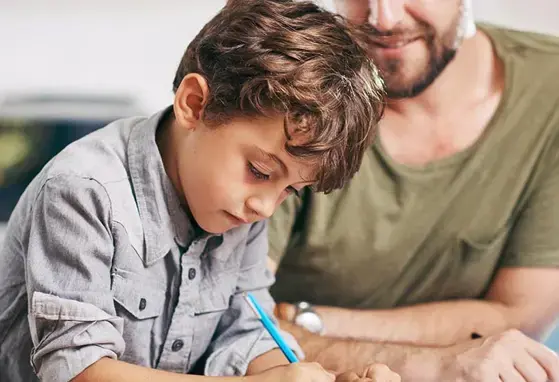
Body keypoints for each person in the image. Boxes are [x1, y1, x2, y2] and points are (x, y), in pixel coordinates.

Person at [0, 1, 398, 381]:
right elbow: (79, 370)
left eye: (291, 190)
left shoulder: (243, 209)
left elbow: (246, 333)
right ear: (194, 105)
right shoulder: (83, 191)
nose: (265, 207)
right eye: (260, 171)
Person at [268, 0, 559, 381]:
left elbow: (518, 319)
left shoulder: (550, 90)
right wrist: (437, 364)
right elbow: (234, 323)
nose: (385, 19)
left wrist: (312, 320)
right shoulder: (294, 91)